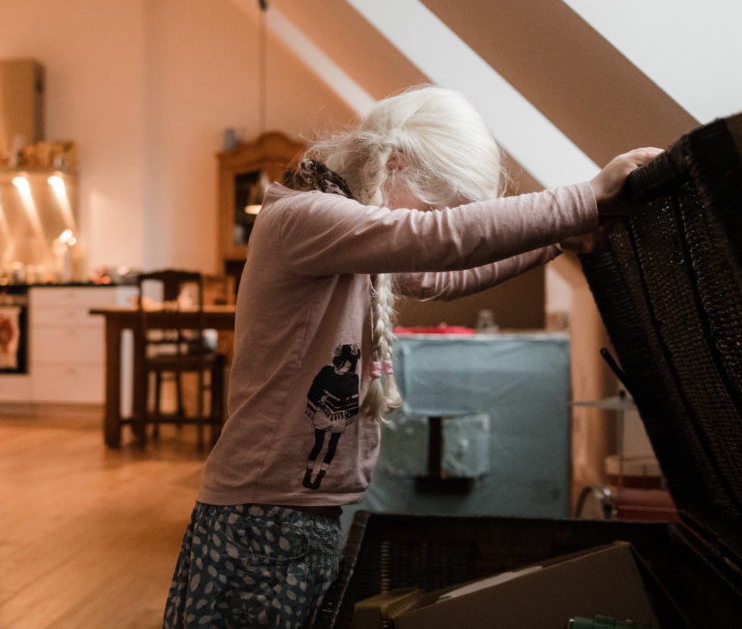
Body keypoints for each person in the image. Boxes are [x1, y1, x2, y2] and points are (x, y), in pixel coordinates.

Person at [162, 85, 662, 628]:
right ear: (394, 163)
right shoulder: (301, 218)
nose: (433, 217)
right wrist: (585, 196)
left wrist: (561, 238)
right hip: (261, 516)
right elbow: (437, 241)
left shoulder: (335, 227)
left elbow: (435, 275)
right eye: (432, 204)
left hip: (296, 512)